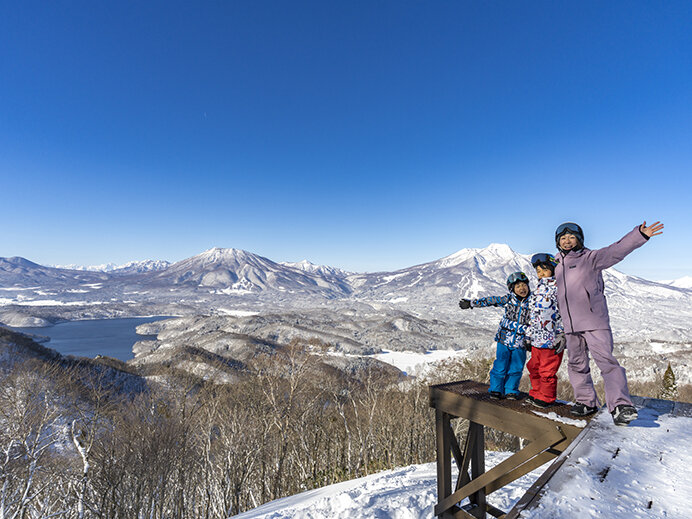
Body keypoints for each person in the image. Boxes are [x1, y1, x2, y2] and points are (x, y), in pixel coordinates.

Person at [554, 221, 664, 426]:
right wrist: (559, 328)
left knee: (607, 362)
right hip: (570, 326)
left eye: (571, 237)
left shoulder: (591, 258)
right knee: (576, 365)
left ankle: (621, 406)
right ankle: (586, 401)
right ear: (557, 242)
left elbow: (616, 250)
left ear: (579, 239)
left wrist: (639, 235)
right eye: (563, 238)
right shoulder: (557, 264)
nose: (567, 241)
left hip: (594, 320)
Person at [459, 272, 531, 399]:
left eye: (524, 285)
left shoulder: (533, 303)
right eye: (518, 286)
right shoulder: (508, 300)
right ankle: (496, 389)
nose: (522, 288)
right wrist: (471, 304)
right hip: (504, 339)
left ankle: (511, 390)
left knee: (516, 368)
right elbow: (490, 301)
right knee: (500, 365)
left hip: (521, 342)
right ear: (512, 289)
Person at [524, 253, 565, 408]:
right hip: (536, 339)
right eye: (538, 270)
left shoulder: (559, 289)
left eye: (544, 269)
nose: (540, 273)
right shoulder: (537, 290)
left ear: (553, 270)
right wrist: (528, 336)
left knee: (547, 371)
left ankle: (547, 397)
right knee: (533, 367)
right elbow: (533, 316)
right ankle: (536, 393)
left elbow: (564, 313)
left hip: (551, 340)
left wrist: (561, 334)